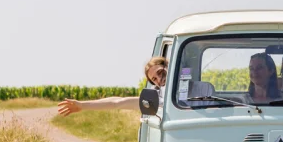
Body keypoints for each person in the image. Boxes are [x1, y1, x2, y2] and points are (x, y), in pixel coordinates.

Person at [57, 56, 214, 116]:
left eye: (160, 72)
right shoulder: (157, 98)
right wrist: (82, 105)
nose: (159, 79)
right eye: (154, 79)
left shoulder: (203, 88)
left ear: (169, 66)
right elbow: (117, 102)